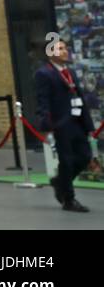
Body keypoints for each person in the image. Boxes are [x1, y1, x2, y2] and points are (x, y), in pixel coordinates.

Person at [35, 37, 95, 212]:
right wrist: (47, 126)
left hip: (77, 123)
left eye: (65, 48)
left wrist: (88, 124)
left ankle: (59, 181)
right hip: (61, 125)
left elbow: (80, 98)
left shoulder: (70, 72)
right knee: (66, 161)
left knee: (84, 157)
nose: (64, 51)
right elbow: (42, 101)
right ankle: (68, 199)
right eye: (60, 48)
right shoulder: (44, 73)